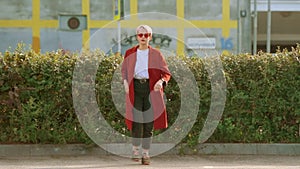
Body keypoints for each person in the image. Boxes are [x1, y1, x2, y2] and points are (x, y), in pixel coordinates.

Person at [121, 25, 171, 165]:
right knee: (136, 119)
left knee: (149, 121)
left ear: (150, 37)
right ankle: (135, 150)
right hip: (135, 88)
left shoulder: (156, 54)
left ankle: (146, 153)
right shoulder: (129, 52)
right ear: (137, 36)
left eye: (146, 35)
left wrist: (161, 82)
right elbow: (124, 70)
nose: (143, 38)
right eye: (140, 35)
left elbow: (166, 73)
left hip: (151, 89)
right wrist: (125, 82)